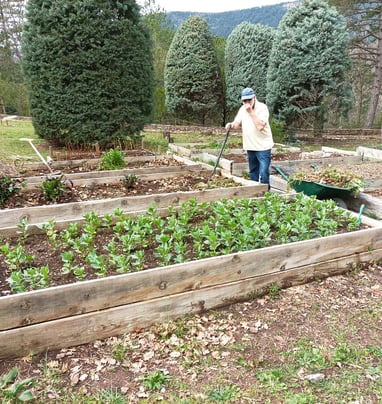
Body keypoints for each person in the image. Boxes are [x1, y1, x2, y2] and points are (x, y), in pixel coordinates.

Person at [225, 87, 273, 190]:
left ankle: (266, 194)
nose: (247, 103)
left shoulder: (262, 108)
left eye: (249, 100)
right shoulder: (242, 109)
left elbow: (260, 126)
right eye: (244, 101)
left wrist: (251, 112)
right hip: (250, 145)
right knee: (253, 171)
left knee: (264, 172)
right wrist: (230, 125)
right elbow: (236, 123)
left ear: (254, 98)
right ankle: (254, 192)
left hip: (263, 146)